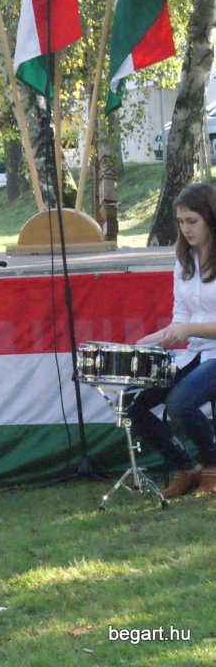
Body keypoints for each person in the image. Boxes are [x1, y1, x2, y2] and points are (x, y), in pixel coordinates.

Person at [128, 183, 216, 498]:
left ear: (210, 218)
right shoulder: (183, 260)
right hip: (196, 353)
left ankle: (212, 467)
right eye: (180, 222)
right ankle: (186, 467)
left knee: (180, 402)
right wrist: (150, 340)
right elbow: (181, 316)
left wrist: (188, 328)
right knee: (130, 402)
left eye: (192, 221)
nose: (185, 229)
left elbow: (188, 325)